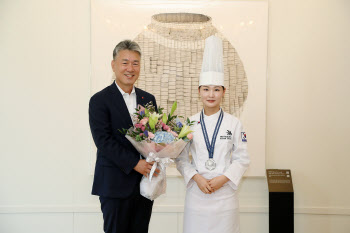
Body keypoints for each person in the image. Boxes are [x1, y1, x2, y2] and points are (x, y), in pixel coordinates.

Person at [176, 35, 250, 233]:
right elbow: (181, 159)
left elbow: (242, 160)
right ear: (199, 91)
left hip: (225, 196)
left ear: (223, 92)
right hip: (197, 195)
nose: (211, 94)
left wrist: (222, 179)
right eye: (206, 89)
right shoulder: (190, 123)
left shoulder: (234, 123)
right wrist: (197, 178)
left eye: (216, 89)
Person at [89, 40, 159, 233]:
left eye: (135, 63)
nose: (130, 68)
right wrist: (135, 163)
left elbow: (154, 136)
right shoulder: (99, 100)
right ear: (114, 65)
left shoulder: (148, 99)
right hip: (114, 184)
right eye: (125, 62)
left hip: (144, 186)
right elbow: (103, 141)